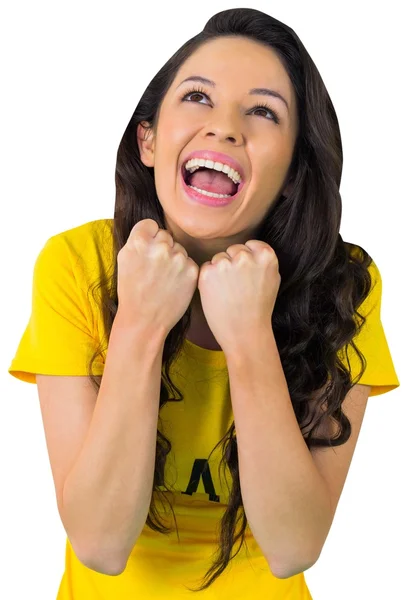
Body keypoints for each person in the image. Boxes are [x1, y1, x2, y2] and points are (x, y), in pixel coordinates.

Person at [8, 7, 400, 599]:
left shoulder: (342, 283)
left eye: (263, 111)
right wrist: (139, 323)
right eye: (198, 97)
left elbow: (293, 547)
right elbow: (99, 542)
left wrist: (248, 336)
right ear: (148, 140)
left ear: (293, 171)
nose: (225, 128)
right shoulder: (77, 264)